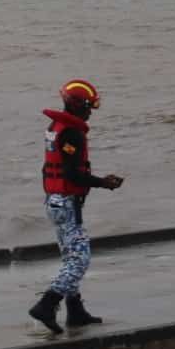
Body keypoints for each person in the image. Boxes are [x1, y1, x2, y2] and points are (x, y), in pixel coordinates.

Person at [29, 79, 124, 333]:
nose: (90, 112)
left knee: (70, 256)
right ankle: (46, 305)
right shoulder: (72, 133)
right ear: (77, 105)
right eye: (89, 107)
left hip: (54, 201)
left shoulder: (55, 127)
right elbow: (73, 174)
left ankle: (75, 310)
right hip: (66, 203)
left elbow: (51, 168)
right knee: (80, 259)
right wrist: (103, 182)